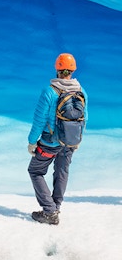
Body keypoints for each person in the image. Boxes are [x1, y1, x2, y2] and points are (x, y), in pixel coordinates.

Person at [27, 52, 88, 225]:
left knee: (36, 171)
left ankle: (50, 210)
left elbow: (39, 120)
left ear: (57, 69)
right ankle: (56, 206)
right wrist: (78, 139)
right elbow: (85, 118)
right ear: (73, 70)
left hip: (50, 142)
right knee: (62, 172)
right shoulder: (81, 91)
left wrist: (32, 141)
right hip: (70, 141)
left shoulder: (50, 91)